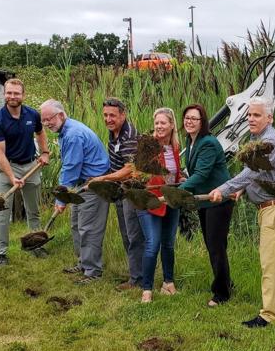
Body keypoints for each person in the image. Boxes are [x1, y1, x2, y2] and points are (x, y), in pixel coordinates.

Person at [209, 97, 275, 328]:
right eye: (249, 114)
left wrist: (223, 189)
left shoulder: (269, 142)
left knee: (271, 261)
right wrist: (241, 190)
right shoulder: (256, 138)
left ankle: (269, 314)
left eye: (257, 115)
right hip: (273, 207)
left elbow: (249, 173)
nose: (251, 119)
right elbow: (258, 174)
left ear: (270, 118)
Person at [40, 99, 110, 284]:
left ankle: (93, 272)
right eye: (43, 120)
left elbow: (71, 168)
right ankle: (83, 263)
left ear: (61, 115)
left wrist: (61, 199)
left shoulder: (73, 134)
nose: (46, 123)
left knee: (89, 229)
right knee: (76, 225)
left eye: (49, 119)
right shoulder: (65, 131)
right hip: (79, 185)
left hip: (93, 185)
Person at [0, 78, 50, 267]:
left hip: (30, 166)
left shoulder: (32, 114)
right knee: (1, 214)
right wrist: (12, 177)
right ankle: (0, 253)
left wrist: (45, 152)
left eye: (16, 93)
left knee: (33, 211)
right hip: (7, 168)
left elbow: (40, 133)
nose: (12, 96)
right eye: (9, 92)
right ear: (4, 94)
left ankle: (36, 245)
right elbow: (0, 154)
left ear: (23, 95)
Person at [177, 104, 234, 306]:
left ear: (203, 123)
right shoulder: (191, 140)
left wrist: (179, 190)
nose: (189, 122)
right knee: (213, 245)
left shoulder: (208, 143)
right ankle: (226, 283)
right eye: (187, 118)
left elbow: (202, 174)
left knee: (216, 246)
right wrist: (184, 181)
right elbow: (194, 172)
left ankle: (222, 294)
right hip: (206, 201)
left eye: (194, 119)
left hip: (219, 201)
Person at [85, 98, 144, 290]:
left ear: (123, 115)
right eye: (105, 115)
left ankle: (138, 279)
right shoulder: (114, 132)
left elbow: (130, 169)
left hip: (132, 191)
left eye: (112, 115)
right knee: (126, 235)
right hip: (120, 190)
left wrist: (103, 179)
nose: (108, 119)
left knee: (133, 236)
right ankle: (135, 275)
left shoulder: (128, 136)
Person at [137, 108, 183, 303]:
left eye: (163, 123)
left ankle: (168, 283)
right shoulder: (148, 146)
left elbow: (173, 173)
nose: (159, 126)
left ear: (172, 125)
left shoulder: (175, 147)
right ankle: (146, 289)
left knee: (169, 244)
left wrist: (181, 180)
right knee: (152, 244)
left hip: (171, 200)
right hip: (151, 201)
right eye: (157, 123)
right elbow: (138, 173)